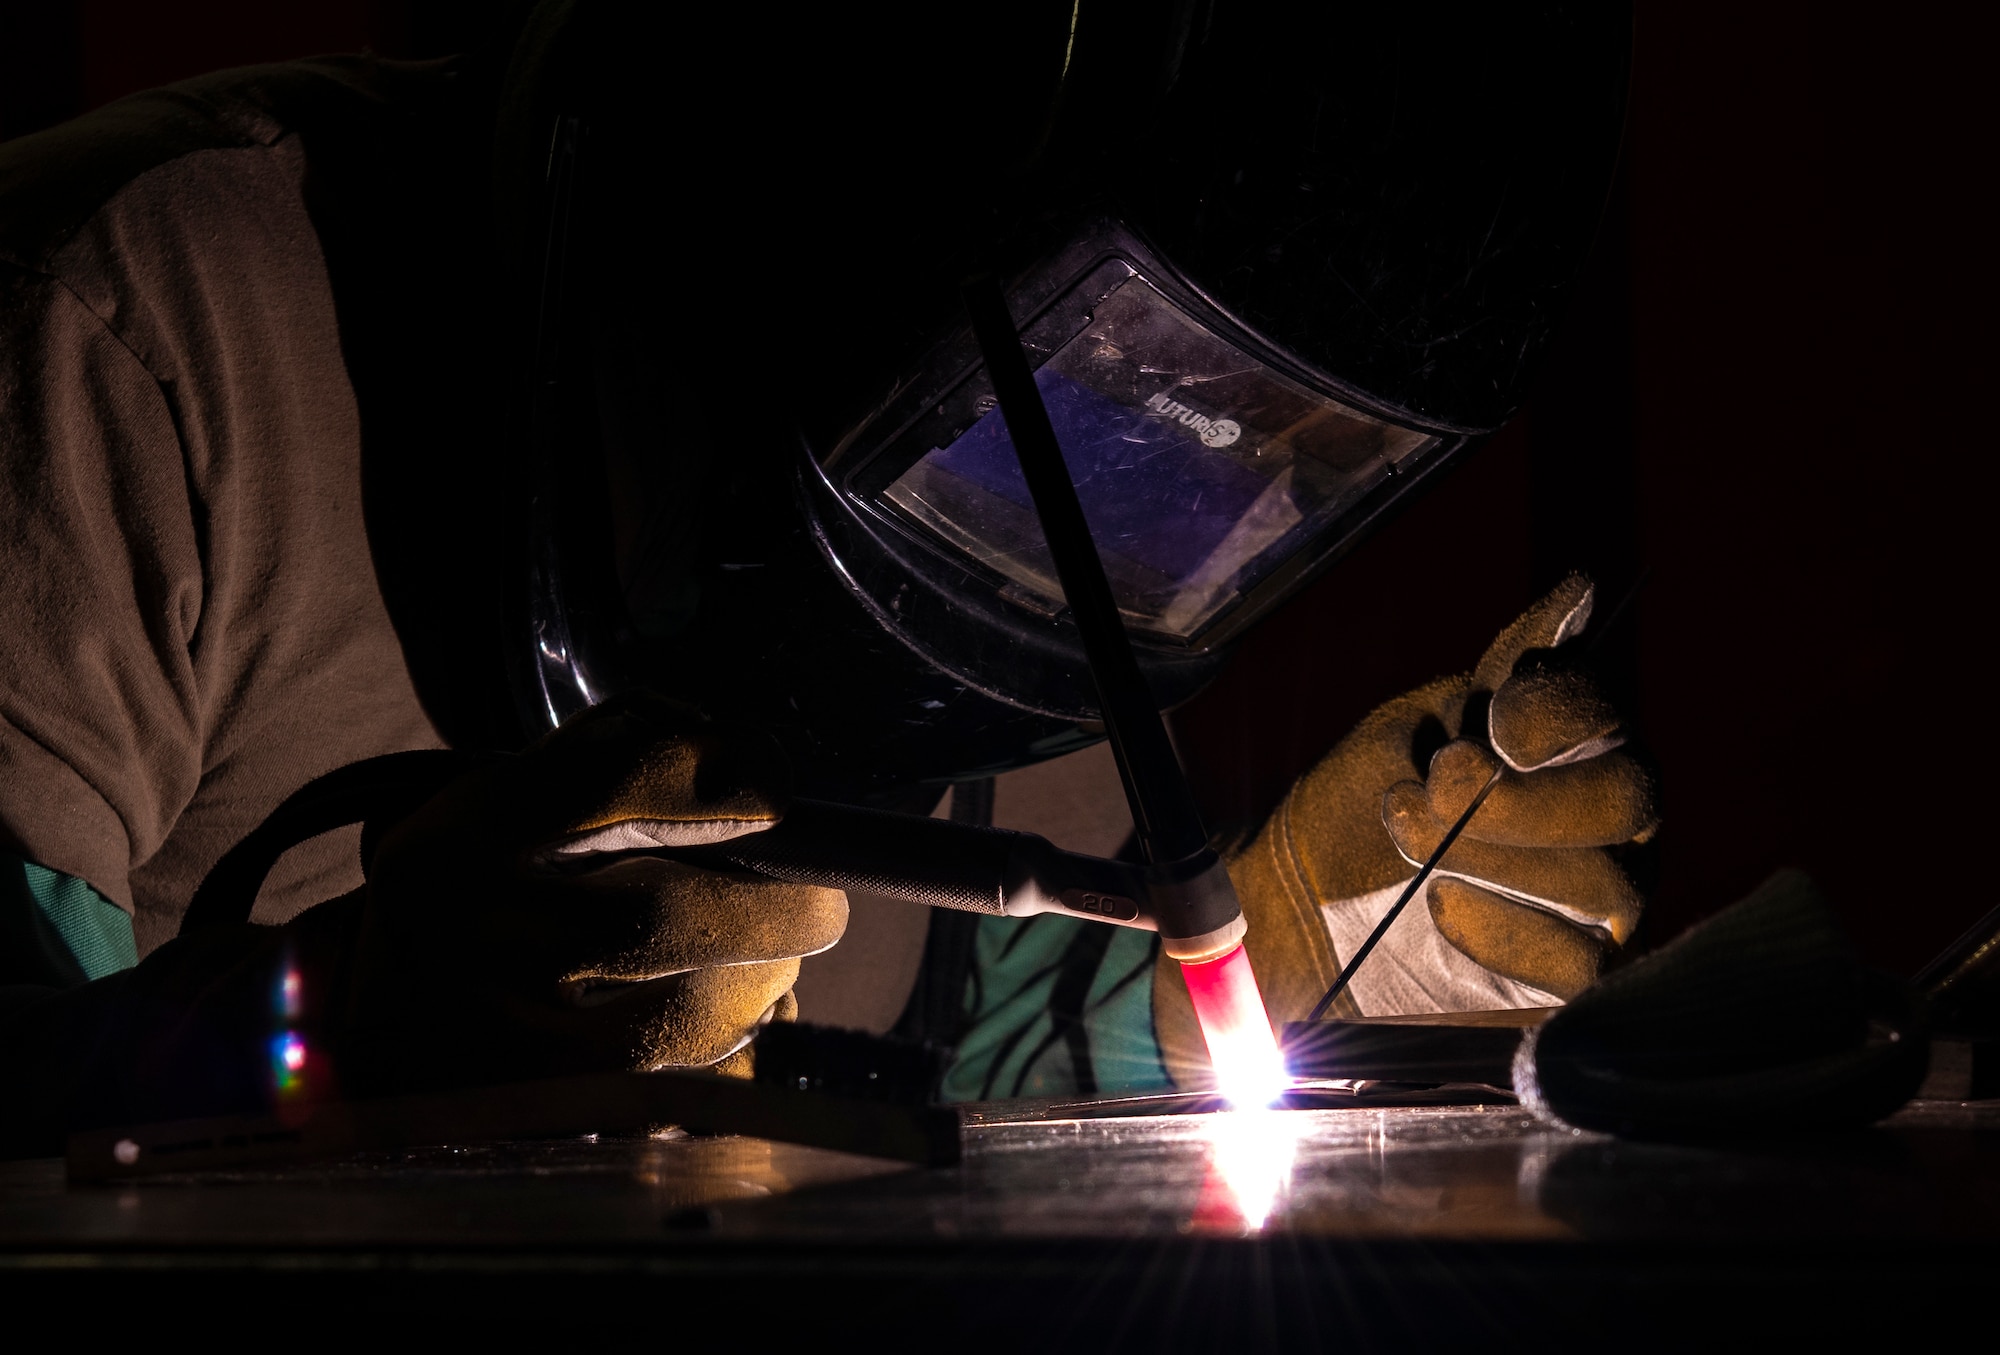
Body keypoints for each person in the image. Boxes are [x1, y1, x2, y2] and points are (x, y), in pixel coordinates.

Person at [0, 1, 1651, 1150]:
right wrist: (328, 1039)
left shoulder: (1069, 528)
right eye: (1125, 419)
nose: (1172, 510)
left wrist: (1267, 963)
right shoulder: (134, 331)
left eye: (1258, 469)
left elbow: (972, 1046)